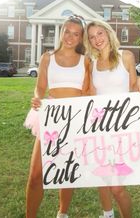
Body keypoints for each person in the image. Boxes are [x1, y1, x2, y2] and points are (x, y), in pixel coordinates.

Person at [24, 15, 90, 218]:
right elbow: (40, 87)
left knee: (66, 172)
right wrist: (37, 98)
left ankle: (62, 213)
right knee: (36, 175)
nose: (70, 37)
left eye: (76, 33)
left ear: (81, 37)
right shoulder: (47, 57)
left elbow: (88, 91)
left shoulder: (86, 61)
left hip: (75, 118)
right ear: (61, 32)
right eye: (67, 31)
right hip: (51, 116)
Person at [83, 19, 140, 218]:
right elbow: (91, 97)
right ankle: (108, 214)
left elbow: (133, 89)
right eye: (92, 37)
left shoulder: (126, 57)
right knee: (102, 178)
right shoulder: (91, 63)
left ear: (108, 33)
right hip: (100, 130)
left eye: (100, 34)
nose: (97, 39)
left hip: (122, 130)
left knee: (117, 188)